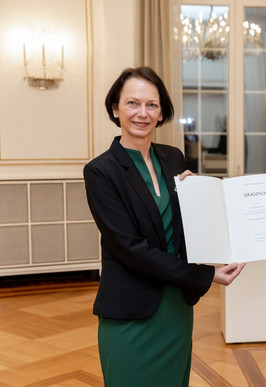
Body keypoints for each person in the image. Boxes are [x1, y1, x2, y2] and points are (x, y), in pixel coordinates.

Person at [84, 66, 245, 386]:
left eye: (152, 105)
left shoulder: (173, 158)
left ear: (161, 113)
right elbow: (129, 249)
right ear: (115, 109)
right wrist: (207, 275)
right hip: (131, 310)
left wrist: (200, 194)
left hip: (176, 307)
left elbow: (189, 228)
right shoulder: (101, 171)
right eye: (132, 103)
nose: (142, 113)